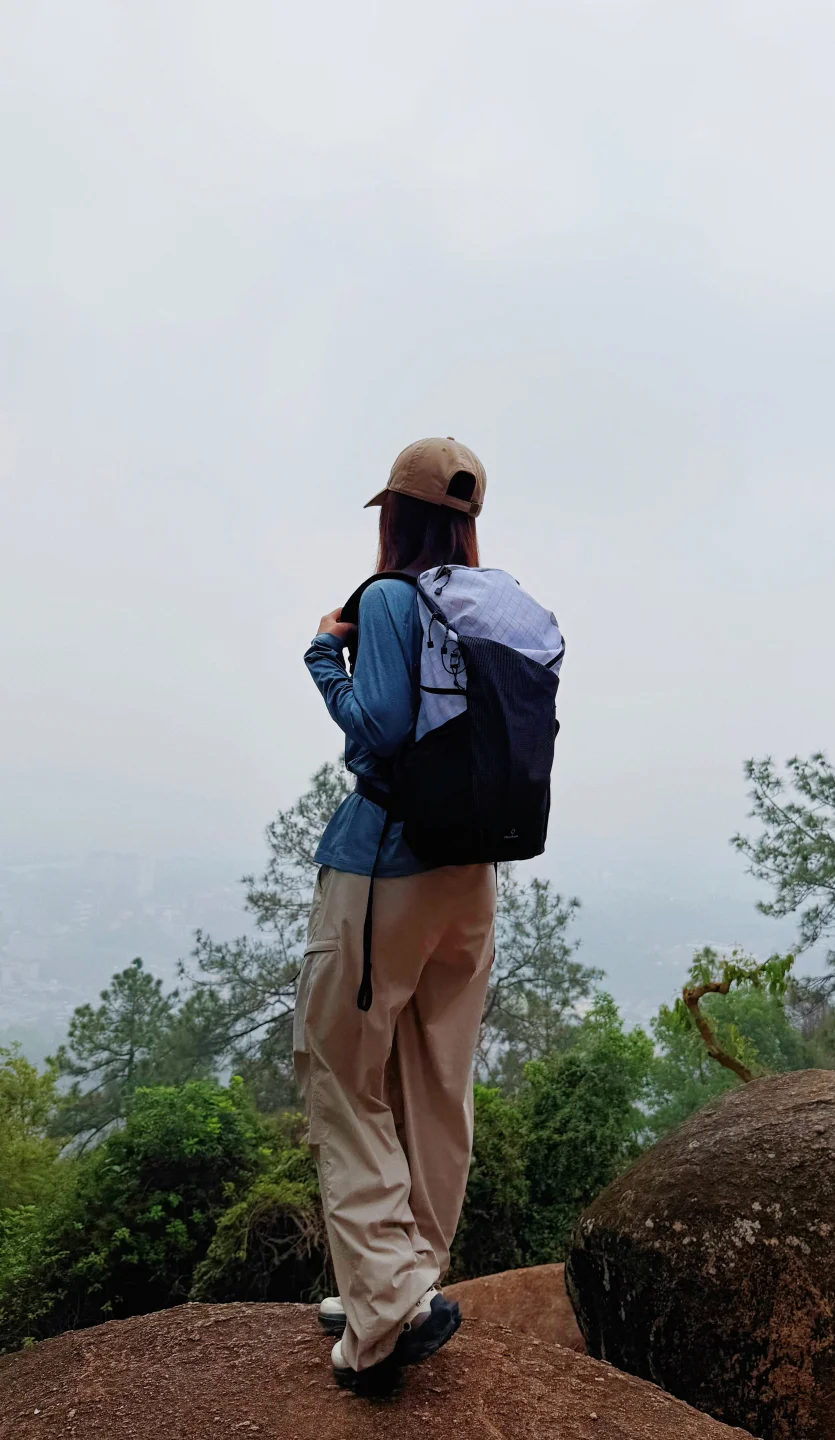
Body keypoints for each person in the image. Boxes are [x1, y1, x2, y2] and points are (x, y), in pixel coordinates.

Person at [298, 437, 497, 1391]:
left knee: (341, 1068)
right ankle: (402, 1281)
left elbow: (377, 727)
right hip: (473, 875)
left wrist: (322, 661)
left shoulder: (386, 601)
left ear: (395, 517)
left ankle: (384, 1310)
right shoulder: (492, 608)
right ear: (467, 521)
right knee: (435, 1080)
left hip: (386, 866)